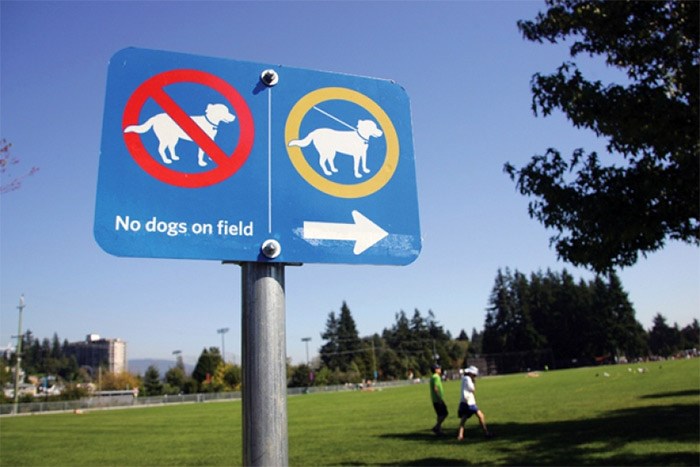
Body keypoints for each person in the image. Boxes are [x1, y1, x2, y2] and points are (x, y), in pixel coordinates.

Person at [457, 366, 492, 440]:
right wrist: (473, 383)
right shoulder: (468, 379)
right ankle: (486, 432)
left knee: (463, 419)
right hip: (469, 402)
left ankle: (460, 435)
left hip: (463, 401)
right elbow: (472, 389)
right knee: (481, 416)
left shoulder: (464, 378)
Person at [429, 363, 448, 435]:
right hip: (438, 399)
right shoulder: (436, 377)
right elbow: (435, 388)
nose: (440, 369)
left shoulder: (433, 377)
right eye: (439, 368)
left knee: (439, 415)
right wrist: (439, 398)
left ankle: (439, 430)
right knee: (444, 413)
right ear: (436, 370)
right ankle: (436, 427)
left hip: (435, 399)